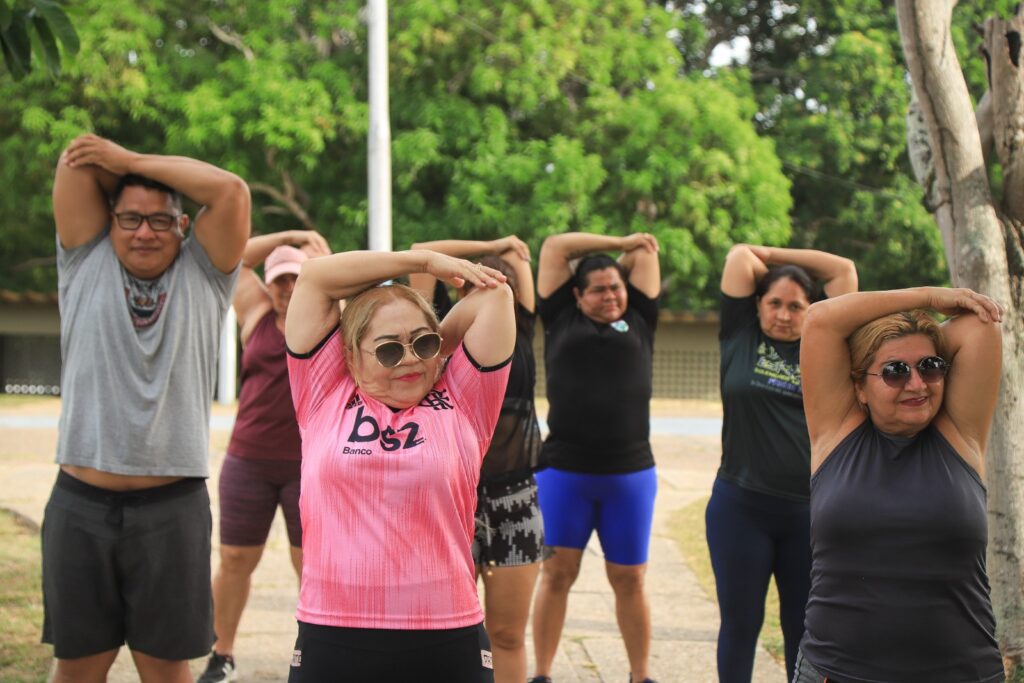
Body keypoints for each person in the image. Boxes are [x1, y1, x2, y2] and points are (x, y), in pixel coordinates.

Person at [45, 134, 249, 681]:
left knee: (166, 671)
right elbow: (75, 158)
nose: (143, 232)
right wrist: (116, 167)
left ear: (183, 228)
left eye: (160, 221)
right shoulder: (84, 258)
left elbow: (231, 191)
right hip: (80, 507)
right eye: (129, 219)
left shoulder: (205, 272)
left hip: (171, 511)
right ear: (109, 221)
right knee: (77, 669)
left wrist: (129, 162)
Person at [283, 249, 516, 682]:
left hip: (445, 632)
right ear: (351, 358)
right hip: (334, 630)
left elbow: (494, 299)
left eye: (422, 343)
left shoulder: (463, 396)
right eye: (389, 350)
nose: (409, 359)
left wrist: (434, 350)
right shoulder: (323, 392)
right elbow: (315, 277)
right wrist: (424, 262)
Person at [794, 287, 1004, 682]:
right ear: (859, 388)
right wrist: (928, 297)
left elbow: (980, 326)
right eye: (894, 371)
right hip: (837, 674)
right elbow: (820, 320)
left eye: (931, 367)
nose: (917, 384)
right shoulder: (836, 432)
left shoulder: (959, 433)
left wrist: (915, 329)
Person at [706, 244, 857, 682]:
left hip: (809, 514)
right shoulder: (740, 334)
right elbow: (737, 258)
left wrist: (773, 255)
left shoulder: (826, 346)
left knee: (803, 629)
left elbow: (844, 270)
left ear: (814, 310)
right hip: (739, 508)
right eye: (774, 302)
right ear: (757, 304)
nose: (784, 314)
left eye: (797, 305)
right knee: (740, 626)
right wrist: (765, 260)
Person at [409, 236, 544, 683]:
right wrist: (490, 244)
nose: (488, 292)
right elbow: (420, 248)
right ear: (459, 289)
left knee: (506, 634)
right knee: (438, 632)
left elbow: (519, 264)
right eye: (475, 284)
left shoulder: (519, 327)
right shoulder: (434, 339)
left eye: (497, 283)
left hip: (514, 497)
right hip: (446, 501)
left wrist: (510, 252)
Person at [199, 230, 330, 682]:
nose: (287, 289)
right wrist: (290, 237)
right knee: (235, 561)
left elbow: (343, 284)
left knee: (311, 566)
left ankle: (315, 652)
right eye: (279, 281)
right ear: (268, 284)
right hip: (248, 460)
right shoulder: (255, 313)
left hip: (308, 465)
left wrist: (320, 256)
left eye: (296, 279)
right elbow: (230, 257)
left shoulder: (326, 318)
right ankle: (222, 654)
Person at [529, 232, 661, 683]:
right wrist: (620, 240)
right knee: (557, 574)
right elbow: (554, 248)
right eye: (600, 289)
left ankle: (639, 675)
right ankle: (543, 674)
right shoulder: (560, 317)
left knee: (629, 579)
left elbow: (645, 250)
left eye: (616, 287)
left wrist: (629, 252)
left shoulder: (641, 317)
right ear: (577, 295)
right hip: (564, 472)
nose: (610, 296)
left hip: (630, 474)